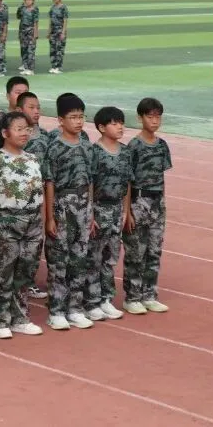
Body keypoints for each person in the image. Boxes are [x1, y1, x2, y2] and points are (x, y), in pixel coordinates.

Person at [0, 112, 45, 339]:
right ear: (5, 133)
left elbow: (39, 192)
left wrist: (42, 220)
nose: (24, 133)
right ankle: (0, 319)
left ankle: (20, 318)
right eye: (19, 129)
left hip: (33, 221)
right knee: (2, 271)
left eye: (27, 129)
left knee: (25, 270)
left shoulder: (33, 159)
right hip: (6, 221)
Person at [42, 94, 94, 329]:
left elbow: (90, 180)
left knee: (79, 258)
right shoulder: (54, 148)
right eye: (73, 117)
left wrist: (90, 211)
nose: (78, 121)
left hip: (83, 205)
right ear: (61, 120)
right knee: (59, 261)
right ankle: (56, 310)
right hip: (62, 205)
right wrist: (50, 217)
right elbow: (49, 183)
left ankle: (75, 307)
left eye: (81, 116)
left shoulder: (86, 145)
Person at [121, 98, 172, 315]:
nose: (154, 121)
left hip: (157, 202)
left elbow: (161, 176)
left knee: (154, 250)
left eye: (157, 117)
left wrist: (162, 203)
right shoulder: (134, 146)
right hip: (138, 201)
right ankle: (132, 297)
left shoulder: (162, 145)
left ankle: (149, 294)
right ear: (140, 118)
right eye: (150, 116)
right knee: (136, 251)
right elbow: (127, 181)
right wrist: (127, 211)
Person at [87, 107, 131, 320]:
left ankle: (106, 299)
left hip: (116, 209)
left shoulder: (125, 152)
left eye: (121, 122)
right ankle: (91, 301)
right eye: (114, 123)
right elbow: (90, 184)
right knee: (94, 257)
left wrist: (125, 210)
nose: (120, 127)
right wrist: (90, 213)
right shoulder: (95, 152)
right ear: (102, 127)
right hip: (99, 208)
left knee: (111, 257)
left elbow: (127, 183)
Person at [48, 0, 69, 74]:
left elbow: (65, 21)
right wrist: (49, 32)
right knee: (52, 49)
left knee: (59, 49)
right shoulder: (52, 8)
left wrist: (63, 33)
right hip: (53, 31)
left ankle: (58, 67)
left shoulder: (63, 7)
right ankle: (53, 66)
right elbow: (50, 21)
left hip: (60, 30)